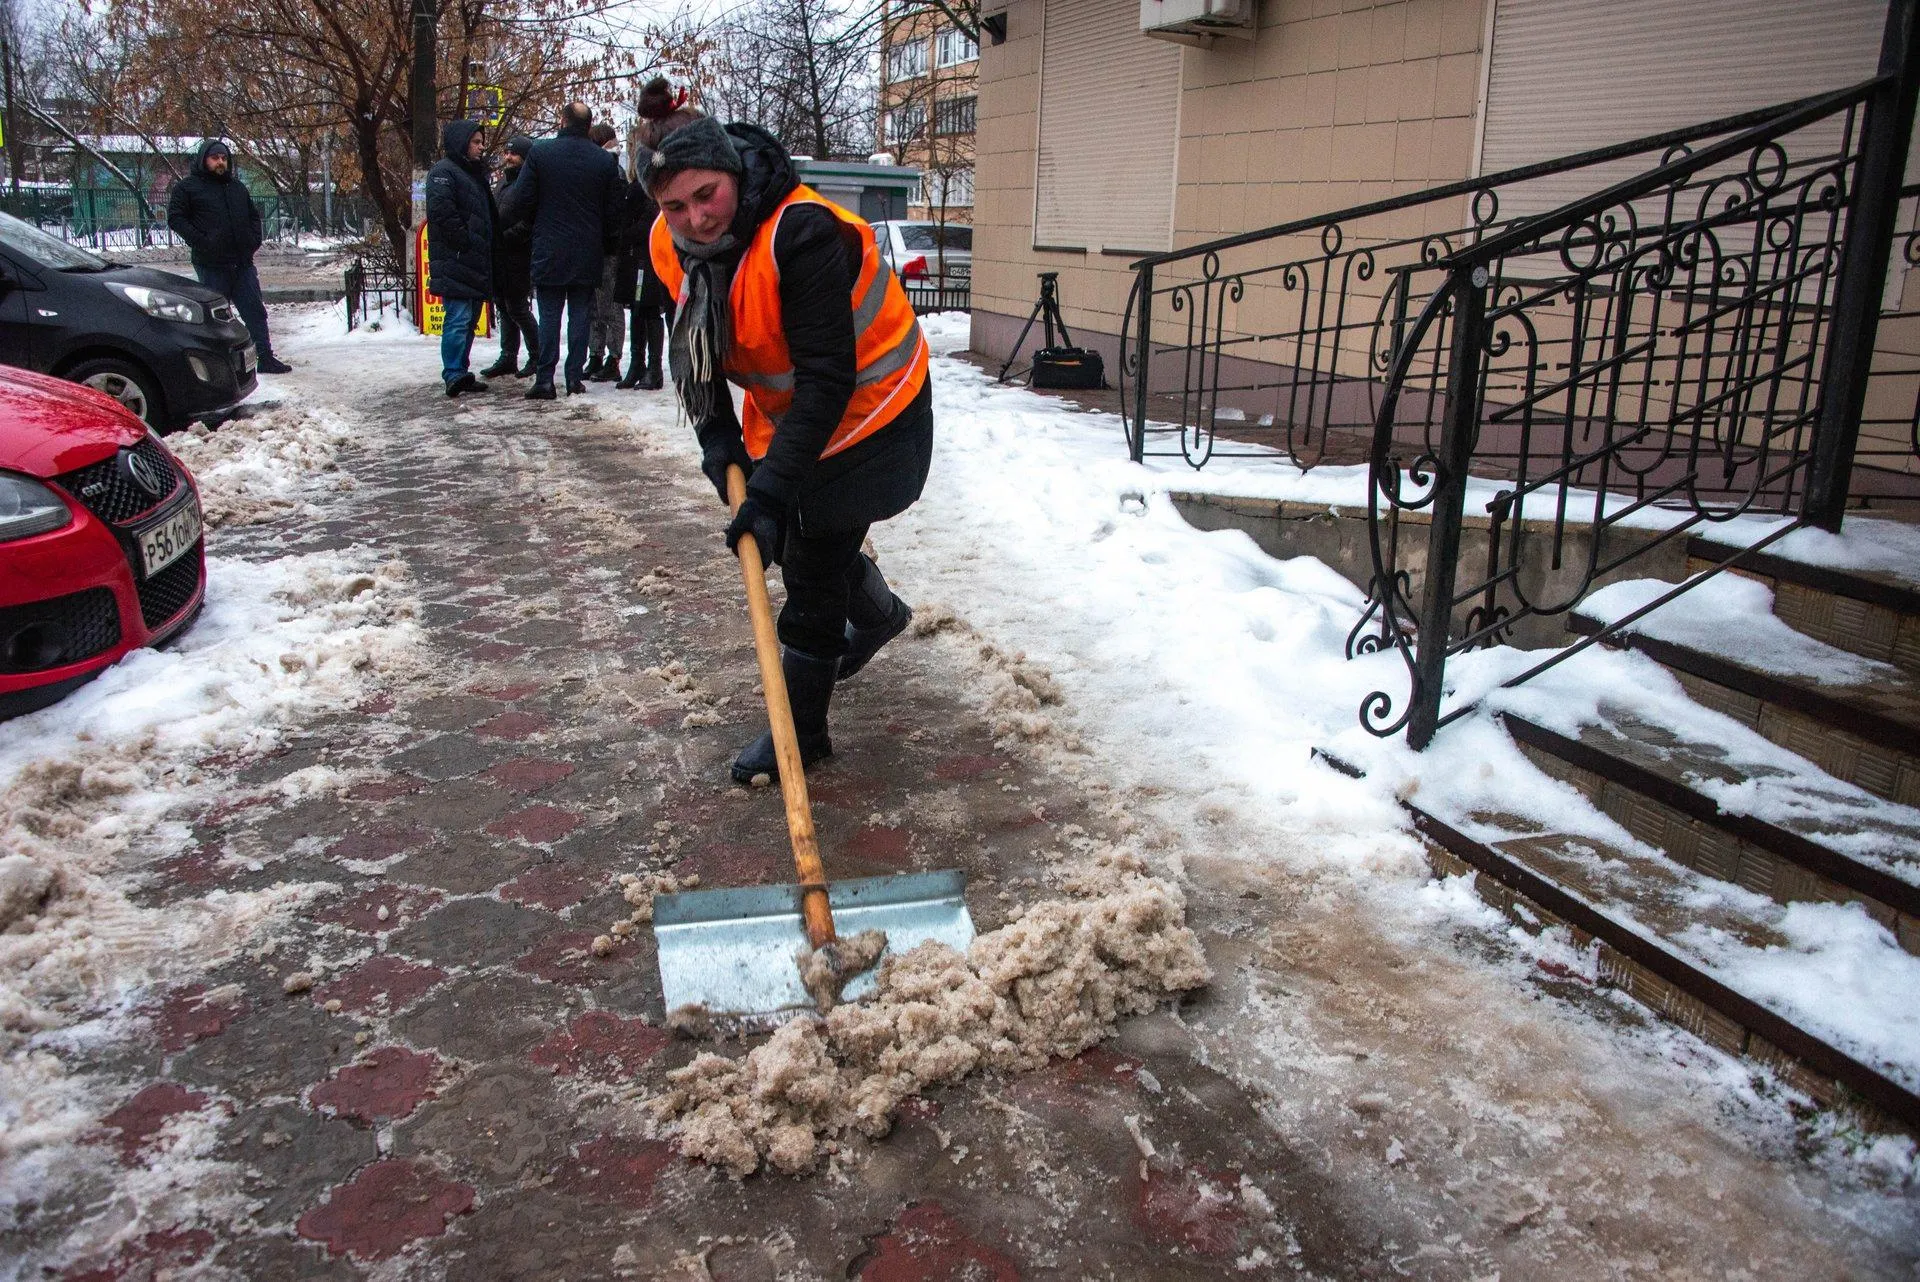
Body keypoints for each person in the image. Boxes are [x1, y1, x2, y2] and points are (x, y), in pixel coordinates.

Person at [645, 117, 929, 785]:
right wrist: (719, 442)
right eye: (675, 206)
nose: (696, 218)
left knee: (810, 558)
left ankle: (801, 736)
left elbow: (828, 376)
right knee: (809, 538)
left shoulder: (801, 232)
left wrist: (769, 495)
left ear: (733, 175)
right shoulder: (670, 241)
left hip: (875, 409)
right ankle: (878, 613)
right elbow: (697, 347)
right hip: (796, 413)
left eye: (706, 194)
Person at [498, 102, 625, 399]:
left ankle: (545, 379)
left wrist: (520, 225)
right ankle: (573, 379)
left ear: (562, 120)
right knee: (580, 314)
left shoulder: (541, 154)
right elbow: (613, 212)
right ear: (588, 125)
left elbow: (520, 201)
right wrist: (606, 246)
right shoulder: (603, 162)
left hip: (548, 248)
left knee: (550, 315)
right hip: (587, 251)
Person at [166, 139, 291, 374]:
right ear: (204, 160)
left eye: (223, 158)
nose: (220, 162)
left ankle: (265, 357)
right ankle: (218, 366)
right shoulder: (188, 188)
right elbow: (176, 218)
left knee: (254, 310)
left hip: (242, 263)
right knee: (216, 319)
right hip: (211, 264)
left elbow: (254, 217)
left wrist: (253, 240)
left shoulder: (237, 188)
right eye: (215, 158)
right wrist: (202, 241)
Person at [424, 119, 497, 397]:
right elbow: (442, 213)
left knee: (467, 321)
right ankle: (453, 372)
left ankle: (461, 371)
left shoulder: (471, 173)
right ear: (461, 142)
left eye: (481, 142)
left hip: (471, 261)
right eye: (476, 142)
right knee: (457, 320)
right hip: (457, 259)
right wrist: (465, 242)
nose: (481, 147)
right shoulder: (444, 172)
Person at [480, 136, 540, 379]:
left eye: (514, 154)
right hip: (499, 255)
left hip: (518, 255)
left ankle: (537, 354)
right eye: (507, 152)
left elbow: (529, 221)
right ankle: (508, 356)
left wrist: (505, 237)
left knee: (517, 307)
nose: (508, 157)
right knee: (502, 306)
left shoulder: (529, 183)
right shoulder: (503, 182)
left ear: (524, 158)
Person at [584, 122, 626, 382]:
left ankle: (612, 357)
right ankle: (597, 355)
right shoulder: (609, 170)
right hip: (599, 247)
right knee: (596, 306)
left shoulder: (613, 172)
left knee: (609, 305)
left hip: (609, 248)